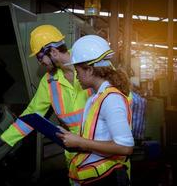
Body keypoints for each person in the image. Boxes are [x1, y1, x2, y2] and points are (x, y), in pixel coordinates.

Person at [0, 24, 91, 185]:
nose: (40, 62)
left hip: (101, 149)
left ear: (53, 52)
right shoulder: (49, 81)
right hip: (75, 155)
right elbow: (31, 114)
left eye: (40, 57)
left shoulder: (92, 69)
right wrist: (3, 140)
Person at [57, 35, 134, 186]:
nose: (76, 76)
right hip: (100, 177)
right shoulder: (97, 97)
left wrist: (80, 142)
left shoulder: (111, 98)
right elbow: (100, 135)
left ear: (89, 70)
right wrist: (73, 138)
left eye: (77, 71)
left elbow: (125, 147)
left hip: (109, 178)